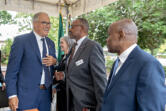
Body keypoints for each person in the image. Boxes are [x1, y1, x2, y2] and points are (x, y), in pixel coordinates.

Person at [101, 19, 166, 111]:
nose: (107, 39)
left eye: (109, 35)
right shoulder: (118, 62)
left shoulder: (148, 64)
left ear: (121, 34)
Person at [6, 12, 57, 111]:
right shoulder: (21, 41)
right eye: (44, 23)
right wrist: (12, 95)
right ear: (35, 24)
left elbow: (53, 66)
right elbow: (11, 72)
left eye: (49, 23)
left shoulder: (51, 43)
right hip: (26, 97)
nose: (48, 26)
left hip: (46, 97)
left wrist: (55, 61)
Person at [66, 18, 107, 111]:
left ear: (82, 28)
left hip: (86, 105)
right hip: (71, 103)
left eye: (72, 27)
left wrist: (102, 107)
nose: (69, 29)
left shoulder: (93, 47)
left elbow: (100, 80)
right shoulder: (73, 47)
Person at [53, 36, 74, 111]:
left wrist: (63, 76)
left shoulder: (73, 57)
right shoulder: (63, 57)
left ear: (68, 43)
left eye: (62, 42)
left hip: (69, 95)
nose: (59, 45)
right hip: (61, 93)